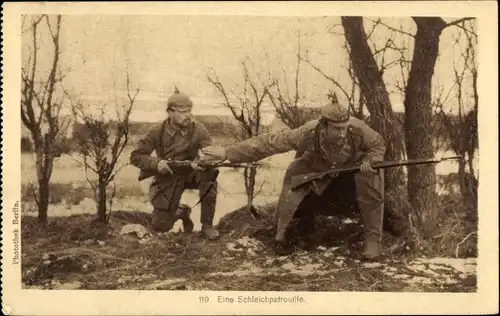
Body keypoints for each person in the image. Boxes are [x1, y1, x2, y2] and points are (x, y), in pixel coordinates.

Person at [201, 95, 386, 259]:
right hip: (318, 172)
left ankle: (372, 240)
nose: (342, 133)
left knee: (372, 177)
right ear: (324, 126)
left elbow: (378, 144)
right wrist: (227, 152)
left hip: (351, 172)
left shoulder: (359, 129)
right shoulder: (308, 132)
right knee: (294, 171)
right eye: (337, 129)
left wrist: (371, 161)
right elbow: (269, 143)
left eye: (345, 128)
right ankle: (281, 232)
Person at [130, 90, 220, 240]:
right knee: (161, 226)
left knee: (209, 174)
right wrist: (156, 163)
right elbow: (136, 156)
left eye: (189, 111)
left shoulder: (199, 129)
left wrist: (207, 159)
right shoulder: (157, 131)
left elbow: (208, 150)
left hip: (192, 172)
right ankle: (181, 211)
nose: (188, 115)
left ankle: (207, 225)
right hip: (168, 174)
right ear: (170, 112)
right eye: (182, 112)